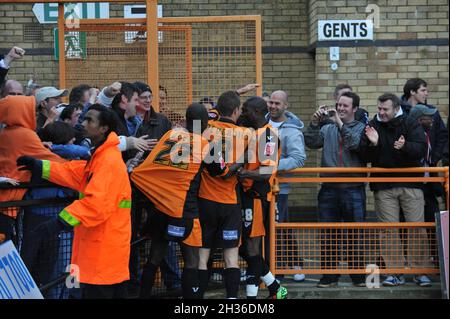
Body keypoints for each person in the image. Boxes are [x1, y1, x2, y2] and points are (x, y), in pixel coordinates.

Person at [17, 104, 132, 298]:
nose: (83, 122)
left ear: (103, 128)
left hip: (104, 251)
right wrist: (40, 166)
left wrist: (58, 222)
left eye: (89, 120)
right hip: (102, 248)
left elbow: (96, 204)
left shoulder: (107, 161)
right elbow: (75, 172)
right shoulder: (101, 156)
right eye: (84, 118)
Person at [131, 103, 227, 299]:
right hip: (185, 211)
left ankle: (143, 296)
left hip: (160, 208)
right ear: (206, 123)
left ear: (186, 119)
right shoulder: (205, 144)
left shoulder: (170, 136)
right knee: (192, 261)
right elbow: (219, 170)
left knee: (154, 258)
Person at [359, 93, 432, 287]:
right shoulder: (373, 125)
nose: (381, 112)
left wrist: (404, 146)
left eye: (385, 109)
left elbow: (420, 150)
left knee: (416, 228)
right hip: (384, 186)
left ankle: (419, 272)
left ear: (395, 108)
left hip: (411, 184)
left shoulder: (410, 123)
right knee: (388, 230)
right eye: (379, 108)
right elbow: (364, 155)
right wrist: (374, 143)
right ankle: (394, 272)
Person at [304, 91, 367, 288]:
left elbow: (354, 144)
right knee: (328, 234)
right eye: (339, 104)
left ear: (354, 109)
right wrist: (314, 123)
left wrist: (339, 124)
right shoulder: (328, 127)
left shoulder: (362, 128)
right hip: (329, 188)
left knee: (355, 234)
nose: (340, 108)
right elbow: (311, 142)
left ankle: (357, 276)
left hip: (353, 189)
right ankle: (330, 276)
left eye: (345, 106)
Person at [197, 91, 247, 299]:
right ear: (236, 111)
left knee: (202, 256)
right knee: (231, 258)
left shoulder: (205, 131)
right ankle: (232, 300)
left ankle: (195, 298)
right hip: (230, 203)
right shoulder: (246, 135)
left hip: (205, 200)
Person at [237, 96, 287, 299]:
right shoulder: (255, 133)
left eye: (246, 111)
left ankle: (256, 295)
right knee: (244, 247)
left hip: (257, 197)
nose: (242, 114)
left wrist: (243, 173)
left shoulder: (268, 136)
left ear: (257, 112)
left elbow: (266, 172)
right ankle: (275, 287)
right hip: (247, 196)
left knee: (251, 248)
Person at [0, 95, 65, 245]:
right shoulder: (23, 134)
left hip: (6, 200)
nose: (35, 114)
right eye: (31, 111)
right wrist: (78, 166)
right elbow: (50, 160)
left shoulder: (7, 133)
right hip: (10, 203)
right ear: (20, 112)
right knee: (10, 250)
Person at [266, 90, 306, 281]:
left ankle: (284, 267)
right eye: (271, 102)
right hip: (257, 185)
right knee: (267, 227)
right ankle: (274, 266)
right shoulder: (260, 122)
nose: (273, 106)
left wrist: (271, 167)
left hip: (278, 188)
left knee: (280, 227)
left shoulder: (292, 130)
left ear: (286, 106)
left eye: (277, 103)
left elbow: (298, 159)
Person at [400, 78, 448, 169]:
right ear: (412, 92)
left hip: (430, 165)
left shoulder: (432, 111)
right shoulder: (399, 112)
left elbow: (442, 135)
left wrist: (434, 157)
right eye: (423, 90)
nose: (426, 93)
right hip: (407, 166)